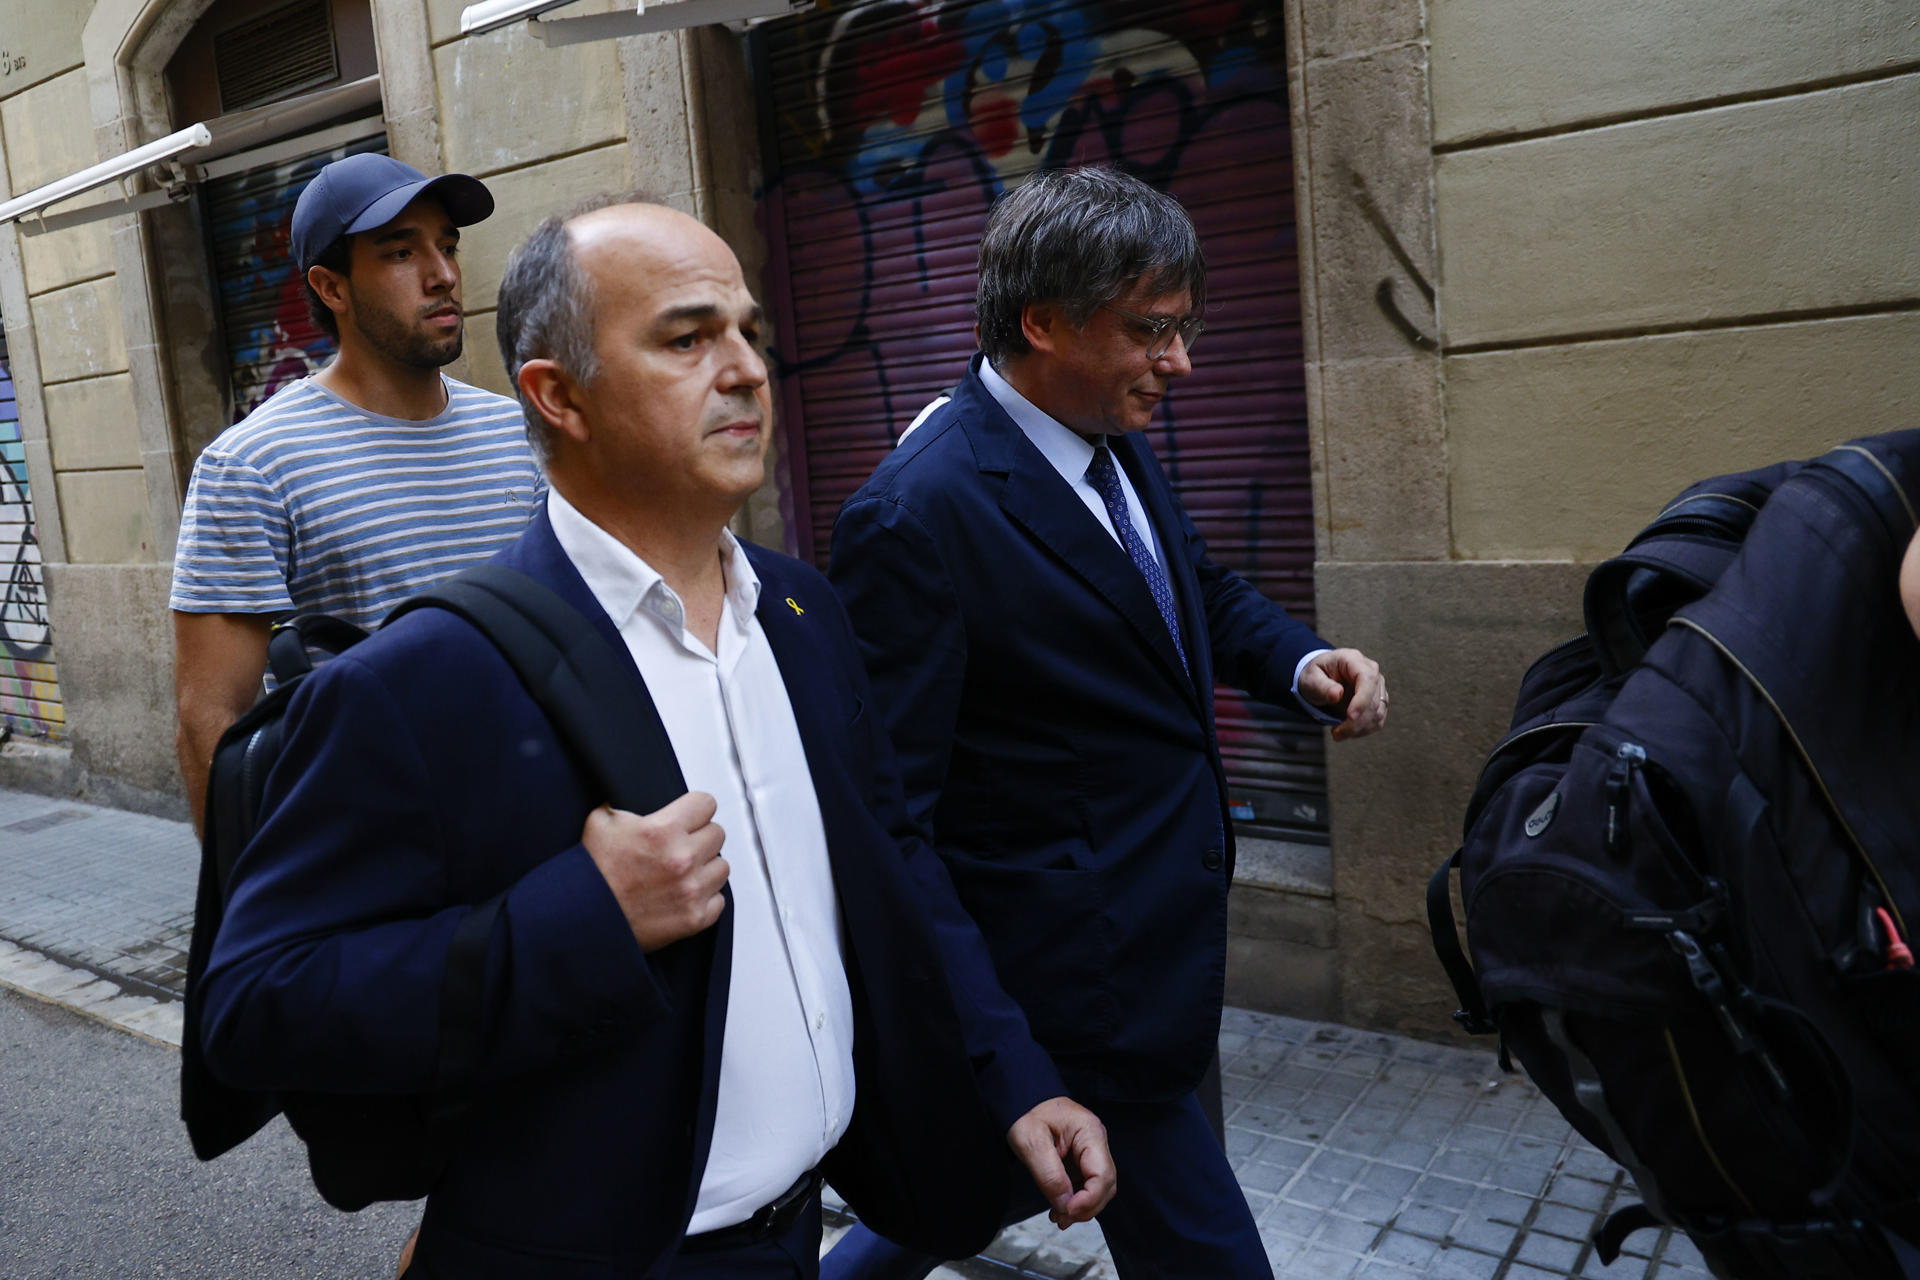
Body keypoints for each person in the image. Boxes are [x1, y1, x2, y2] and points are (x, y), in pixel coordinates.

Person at [195, 196, 1116, 1279]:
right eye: (687, 338)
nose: (746, 370)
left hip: (795, 1235)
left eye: (749, 332)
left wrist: (1013, 1071)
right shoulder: (427, 677)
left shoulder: (806, 616)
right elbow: (256, 1006)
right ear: (559, 394)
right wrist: (580, 915)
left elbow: (897, 859)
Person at [823, 166, 1390, 1280]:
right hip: (1076, 995)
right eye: (1151, 332)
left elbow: (1193, 589)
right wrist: (1004, 1053)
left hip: (1158, 948)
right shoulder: (916, 512)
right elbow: (892, 824)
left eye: (1181, 329)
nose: (1181, 362)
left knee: (957, 1200)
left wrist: (1298, 659)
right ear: (1044, 322)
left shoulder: (1106, 428)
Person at [170, 153, 543, 832]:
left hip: (542, 815)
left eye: (448, 246)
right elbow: (210, 717)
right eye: (401, 252)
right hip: (379, 843)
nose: (444, 275)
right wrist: (246, 904)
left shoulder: (520, 434)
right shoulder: (252, 465)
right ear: (331, 287)